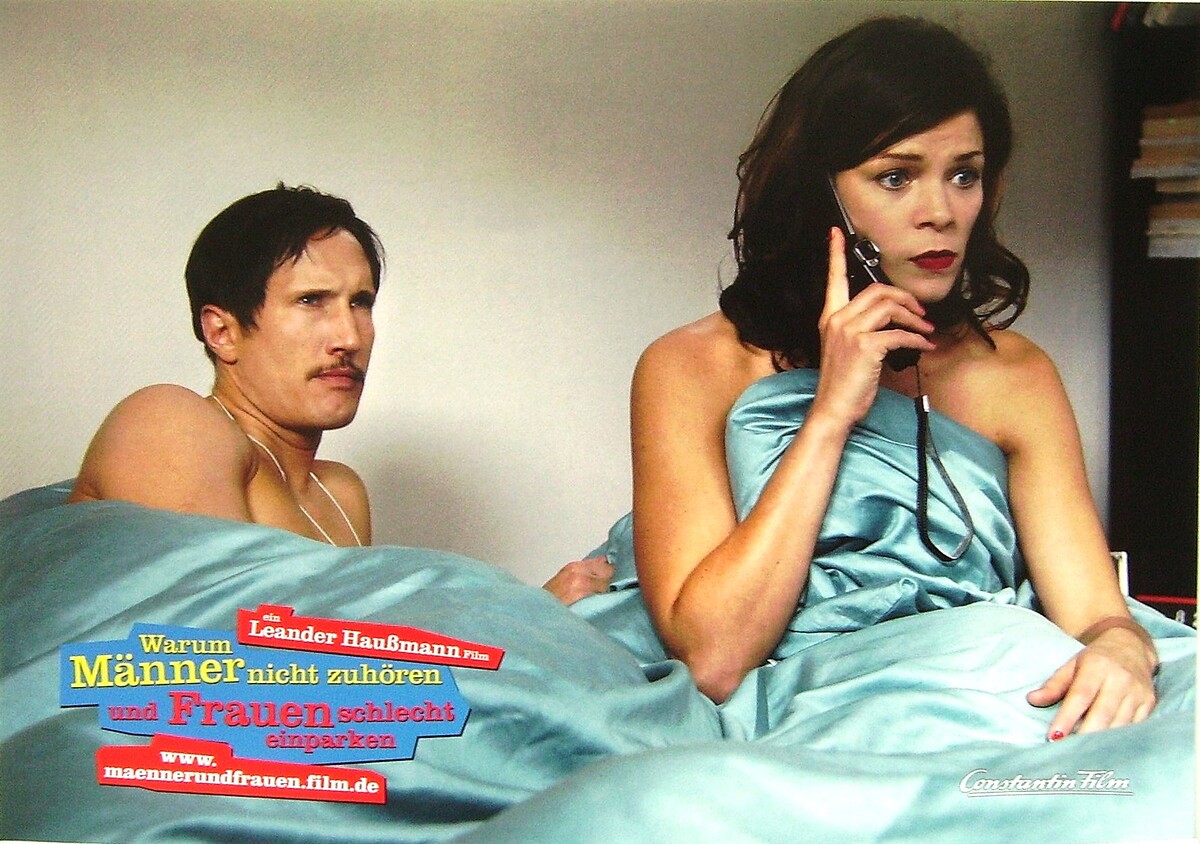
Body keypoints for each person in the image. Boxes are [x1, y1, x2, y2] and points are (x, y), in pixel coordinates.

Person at [625, 17, 1159, 737]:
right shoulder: (689, 367)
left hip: (996, 695)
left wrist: (1119, 649)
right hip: (810, 718)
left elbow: (1094, 612)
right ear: (819, 193)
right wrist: (830, 415)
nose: (940, 213)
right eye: (896, 177)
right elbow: (713, 659)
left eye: (964, 175)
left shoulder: (1017, 373)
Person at [69, 184, 610, 599]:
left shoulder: (340, 493)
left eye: (361, 303)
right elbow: (229, 643)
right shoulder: (168, 420)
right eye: (312, 301)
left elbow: (339, 670)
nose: (349, 337)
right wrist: (520, 616)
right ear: (223, 332)